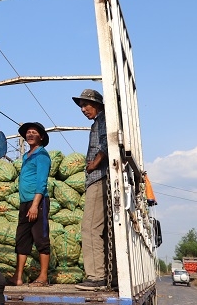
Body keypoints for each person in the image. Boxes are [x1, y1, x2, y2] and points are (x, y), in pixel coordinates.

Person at [71, 89, 117, 291]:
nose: (83, 109)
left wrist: (94, 164)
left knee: (89, 228)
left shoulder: (102, 120)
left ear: (96, 104)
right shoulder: (98, 122)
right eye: (81, 106)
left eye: (85, 105)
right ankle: (110, 275)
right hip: (102, 177)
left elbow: (108, 144)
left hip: (99, 178)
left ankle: (96, 276)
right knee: (104, 230)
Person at [7, 122, 51, 287]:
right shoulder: (26, 156)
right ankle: (17, 277)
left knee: (40, 238)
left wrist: (35, 205)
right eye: (28, 133)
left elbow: (42, 182)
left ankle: (43, 277)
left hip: (37, 202)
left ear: (41, 136)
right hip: (25, 203)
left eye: (34, 132)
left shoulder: (42, 155)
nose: (30, 135)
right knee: (22, 239)